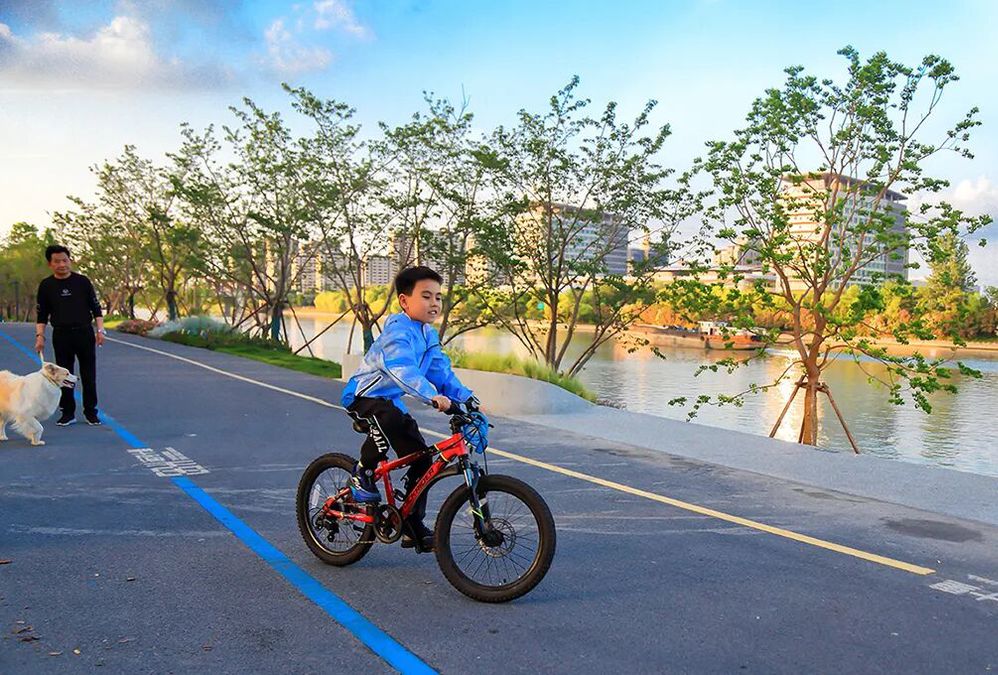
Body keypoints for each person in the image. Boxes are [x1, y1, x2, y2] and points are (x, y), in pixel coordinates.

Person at [341, 266, 475, 552]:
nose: (434, 303)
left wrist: (467, 399)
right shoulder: (397, 332)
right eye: (426, 296)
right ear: (404, 301)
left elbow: (441, 373)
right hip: (363, 396)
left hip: (390, 402)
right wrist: (432, 396)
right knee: (387, 420)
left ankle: (412, 524)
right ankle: (362, 473)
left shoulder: (428, 334)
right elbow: (403, 370)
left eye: (438, 297)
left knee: (421, 459)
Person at [34, 245, 105, 426]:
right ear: (50, 264)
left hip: (84, 333)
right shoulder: (46, 286)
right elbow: (42, 315)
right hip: (61, 335)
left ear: (70, 261)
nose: (62, 265)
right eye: (57, 261)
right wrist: (40, 336)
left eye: (65, 260)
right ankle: (68, 412)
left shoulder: (82, 282)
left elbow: (96, 308)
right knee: (63, 376)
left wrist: (100, 330)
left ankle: (91, 412)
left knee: (88, 375)